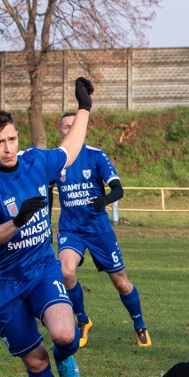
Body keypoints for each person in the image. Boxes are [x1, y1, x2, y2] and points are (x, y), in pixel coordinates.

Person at [0, 77, 97, 377]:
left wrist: (85, 107)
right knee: (35, 362)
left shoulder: (36, 162)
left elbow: (69, 150)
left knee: (64, 334)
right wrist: (17, 221)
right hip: (4, 284)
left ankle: (67, 357)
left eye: (11, 139)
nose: (8, 148)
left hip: (41, 268)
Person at [54, 113, 151, 348]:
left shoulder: (96, 156)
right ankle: (83, 320)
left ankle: (139, 325)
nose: (69, 130)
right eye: (65, 127)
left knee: (120, 281)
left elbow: (118, 189)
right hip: (71, 228)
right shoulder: (55, 160)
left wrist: (104, 200)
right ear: (60, 131)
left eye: (73, 126)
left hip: (98, 228)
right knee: (65, 272)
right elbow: (44, 191)